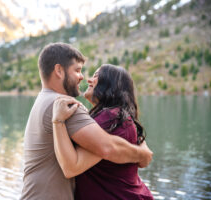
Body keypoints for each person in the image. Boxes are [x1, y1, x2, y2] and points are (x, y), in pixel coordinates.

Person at [21, 43, 153, 200]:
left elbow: (107, 145)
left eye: (95, 76)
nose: (85, 78)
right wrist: (143, 154)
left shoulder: (44, 100)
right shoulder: (64, 105)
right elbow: (107, 146)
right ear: (59, 71)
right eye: (77, 70)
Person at [52, 64, 153, 199]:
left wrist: (58, 121)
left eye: (96, 76)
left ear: (111, 85)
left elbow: (71, 167)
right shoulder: (121, 118)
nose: (89, 80)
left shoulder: (112, 119)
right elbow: (144, 159)